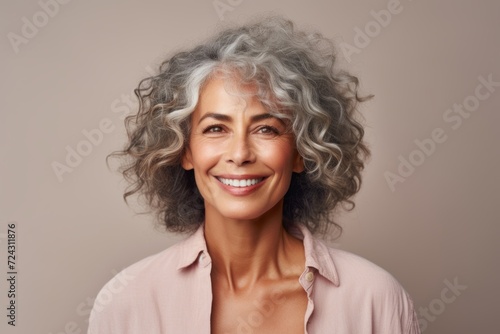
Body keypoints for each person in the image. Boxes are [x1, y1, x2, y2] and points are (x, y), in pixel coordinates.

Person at [88, 16, 421, 333]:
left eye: (266, 129)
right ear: (185, 151)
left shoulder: (375, 299)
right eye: (216, 128)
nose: (240, 154)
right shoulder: (126, 304)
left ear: (302, 152)